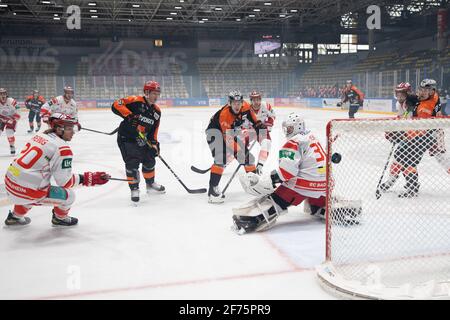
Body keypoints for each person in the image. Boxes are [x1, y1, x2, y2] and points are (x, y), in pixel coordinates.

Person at [4, 113, 110, 227]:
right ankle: (60, 219)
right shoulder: (62, 148)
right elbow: (65, 182)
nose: (73, 132)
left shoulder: (40, 136)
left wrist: (73, 125)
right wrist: (90, 178)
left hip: (10, 184)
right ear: (59, 129)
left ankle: (15, 217)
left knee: (33, 186)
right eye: (70, 129)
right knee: (69, 196)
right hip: (28, 193)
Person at [233, 113, 330, 234]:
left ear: (298, 127)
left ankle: (252, 219)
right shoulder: (311, 136)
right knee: (315, 194)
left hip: (304, 185)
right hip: (325, 185)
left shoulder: (294, 141)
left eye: (290, 128)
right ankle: (319, 206)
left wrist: (269, 180)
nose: (287, 131)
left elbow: (287, 172)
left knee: (276, 199)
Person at [380, 79, 449, 198]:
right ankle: (395, 181)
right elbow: (404, 118)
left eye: (425, 91)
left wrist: (400, 133)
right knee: (402, 156)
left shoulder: (425, 107)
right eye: (420, 90)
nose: (421, 93)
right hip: (421, 134)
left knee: (443, 160)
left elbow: (415, 126)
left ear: (432, 91)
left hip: (430, 135)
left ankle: (410, 186)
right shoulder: (421, 99)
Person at [205, 90, 266, 204]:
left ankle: (255, 185)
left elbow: (253, 119)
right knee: (221, 158)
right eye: (234, 103)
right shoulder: (225, 115)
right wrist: (239, 153)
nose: (237, 106)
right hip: (214, 132)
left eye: (239, 103)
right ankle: (212, 191)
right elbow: (228, 141)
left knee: (248, 159)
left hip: (230, 132)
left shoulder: (246, 106)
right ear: (230, 103)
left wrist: (259, 126)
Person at [112, 80, 164, 204]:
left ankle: (150, 185)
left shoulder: (157, 112)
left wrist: (154, 143)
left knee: (150, 159)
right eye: (153, 93)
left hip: (142, 139)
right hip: (127, 138)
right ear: (146, 92)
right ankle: (134, 189)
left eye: (158, 93)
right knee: (132, 163)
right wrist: (129, 116)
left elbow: (154, 130)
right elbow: (116, 105)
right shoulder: (136, 100)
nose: (156, 96)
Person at [243, 91, 276, 175]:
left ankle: (259, 166)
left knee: (267, 143)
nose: (256, 102)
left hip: (262, 130)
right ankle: (226, 161)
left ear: (260, 100)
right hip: (250, 129)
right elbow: (243, 124)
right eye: (254, 100)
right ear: (251, 100)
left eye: (258, 100)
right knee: (239, 142)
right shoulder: (246, 109)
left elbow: (272, 116)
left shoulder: (266, 106)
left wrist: (268, 125)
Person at [0, 88, 21, 155]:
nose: (3, 96)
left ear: (7, 95)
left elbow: (19, 111)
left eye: (4, 94)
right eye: (1, 94)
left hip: (12, 118)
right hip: (1, 118)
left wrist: (13, 118)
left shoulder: (11, 101)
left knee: (9, 134)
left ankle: (12, 146)